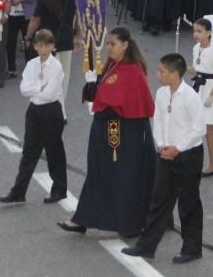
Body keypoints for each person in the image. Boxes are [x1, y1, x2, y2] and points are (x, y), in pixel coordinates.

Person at [59, 27, 155, 236]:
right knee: (100, 173)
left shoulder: (133, 71)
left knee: (121, 176)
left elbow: (126, 102)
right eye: (108, 44)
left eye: (112, 44)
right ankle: (84, 217)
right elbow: (106, 91)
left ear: (125, 45)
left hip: (122, 134)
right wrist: (94, 87)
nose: (109, 48)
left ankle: (127, 222)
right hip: (108, 129)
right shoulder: (114, 65)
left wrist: (104, 99)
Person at [121, 53, 206, 264]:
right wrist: (160, 145)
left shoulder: (190, 97)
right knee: (158, 200)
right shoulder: (160, 93)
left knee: (188, 203)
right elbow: (157, 120)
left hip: (188, 155)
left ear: (175, 73)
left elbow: (198, 129)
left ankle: (192, 248)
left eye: (162, 71)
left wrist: (178, 148)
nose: (158, 74)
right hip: (166, 153)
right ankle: (146, 246)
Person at [0, 29, 67, 205]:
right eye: (39, 45)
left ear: (52, 46)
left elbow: (51, 94)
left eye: (46, 45)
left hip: (51, 111)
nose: (42, 49)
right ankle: (18, 191)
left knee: (54, 151)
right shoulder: (32, 64)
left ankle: (59, 189)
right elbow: (23, 88)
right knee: (29, 151)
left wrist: (35, 91)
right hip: (34, 110)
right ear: (35, 46)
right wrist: (38, 90)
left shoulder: (56, 66)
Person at [188, 17, 213, 177]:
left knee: (209, 129)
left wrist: (212, 96)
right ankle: (193, 161)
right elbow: (197, 69)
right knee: (196, 126)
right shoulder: (196, 48)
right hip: (199, 87)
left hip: (211, 89)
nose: (196, 34)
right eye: (194, 31)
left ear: (209, 33)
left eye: (199, 31)